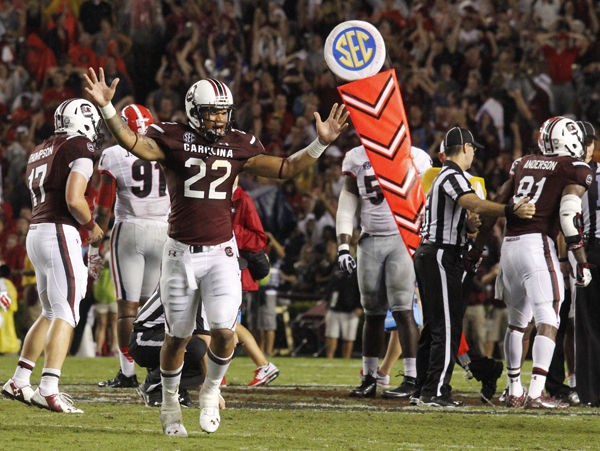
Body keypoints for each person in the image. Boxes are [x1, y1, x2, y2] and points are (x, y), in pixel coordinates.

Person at [84, 68, 348, 436]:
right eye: (212, 111)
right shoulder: (172, 136)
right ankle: (171, 401)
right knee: (176, 337)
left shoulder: (238, 142)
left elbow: (286, 167)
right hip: (178, 252)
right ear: (194, 109)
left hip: (221, 252)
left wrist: (319, 144)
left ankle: (210, 393)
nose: (219, 118)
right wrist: (109, 109)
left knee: (225, 332)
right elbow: (135, 145)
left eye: (224, 111)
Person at [414, 126, 535, 408]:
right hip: (440, 255)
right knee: (446, 327)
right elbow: (471, 201)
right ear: (465, 148)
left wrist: (467, 226)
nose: (474, 154)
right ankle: (436, 391)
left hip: (433, 253)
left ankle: (422, 388)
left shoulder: (443, 176)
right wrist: (508, 210)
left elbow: (458, 213)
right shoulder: (452, 174)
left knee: (434, 326)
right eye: (473, 149)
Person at [2, 98, 104, 412]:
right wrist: (93, 226)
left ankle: (19, 380)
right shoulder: (80, 147)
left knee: (50, 312)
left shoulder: (41, 148)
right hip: (60, 230)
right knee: (67, 311)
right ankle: (49, 386)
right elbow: (74, 198)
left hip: (37, 231)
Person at [498, 117, 592, 409]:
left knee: (516, 324)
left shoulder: (523, 162)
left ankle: (514, 389)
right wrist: (581, 260)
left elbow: (501, 201)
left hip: (509, 246)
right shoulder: (573, 168)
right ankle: (537, 392)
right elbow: (568, 216)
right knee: (549, 319)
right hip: (537, 244)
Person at [337, 144, 432, 399]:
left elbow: (427, 200)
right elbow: (347, 200)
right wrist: (344, 245)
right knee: (372, 313)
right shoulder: (355, 156)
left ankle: (412, 378)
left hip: (402, 238)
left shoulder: (416, 157)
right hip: (369, 240)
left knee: (403, 309)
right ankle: (370, 377)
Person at [94, 103, 169, 388]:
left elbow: (104, 206)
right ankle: (154, 371)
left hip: (129, 229)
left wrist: (96, 234)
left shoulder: (114, 154)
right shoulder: (164, 148)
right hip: (163, 230)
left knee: (127, 308)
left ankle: (127, 373)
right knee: (153, 308)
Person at [231, 179, 279, 387]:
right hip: (221, 267)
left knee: (227, 325)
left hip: (234, 271)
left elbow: (260, 238)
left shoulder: (243, 199)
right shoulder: (218, 195)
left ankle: (263, 365)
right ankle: (217, 377)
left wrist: (230, 233)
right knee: (224, 326)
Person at [131, 287, 209, 408]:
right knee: (198, 348)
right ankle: (153, 385)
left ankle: (178, 388)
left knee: (224, 352)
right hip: (144, 337)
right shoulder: (195, 285)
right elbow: (203, 339)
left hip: (167, 335)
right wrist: (212, 391)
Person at [573, 120, 600, 406]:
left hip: (587, 251)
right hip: (587, 248)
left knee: (587, 325)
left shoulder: (573, 177)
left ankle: (589, 392)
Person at [92, 236, 117, 357]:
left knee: (106, 324)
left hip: (106, 296)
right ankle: (107, 350)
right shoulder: (114, 257)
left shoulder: (104, 260)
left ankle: (104, 350)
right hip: (109, 295)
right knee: (110, 324)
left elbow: (94, 274)